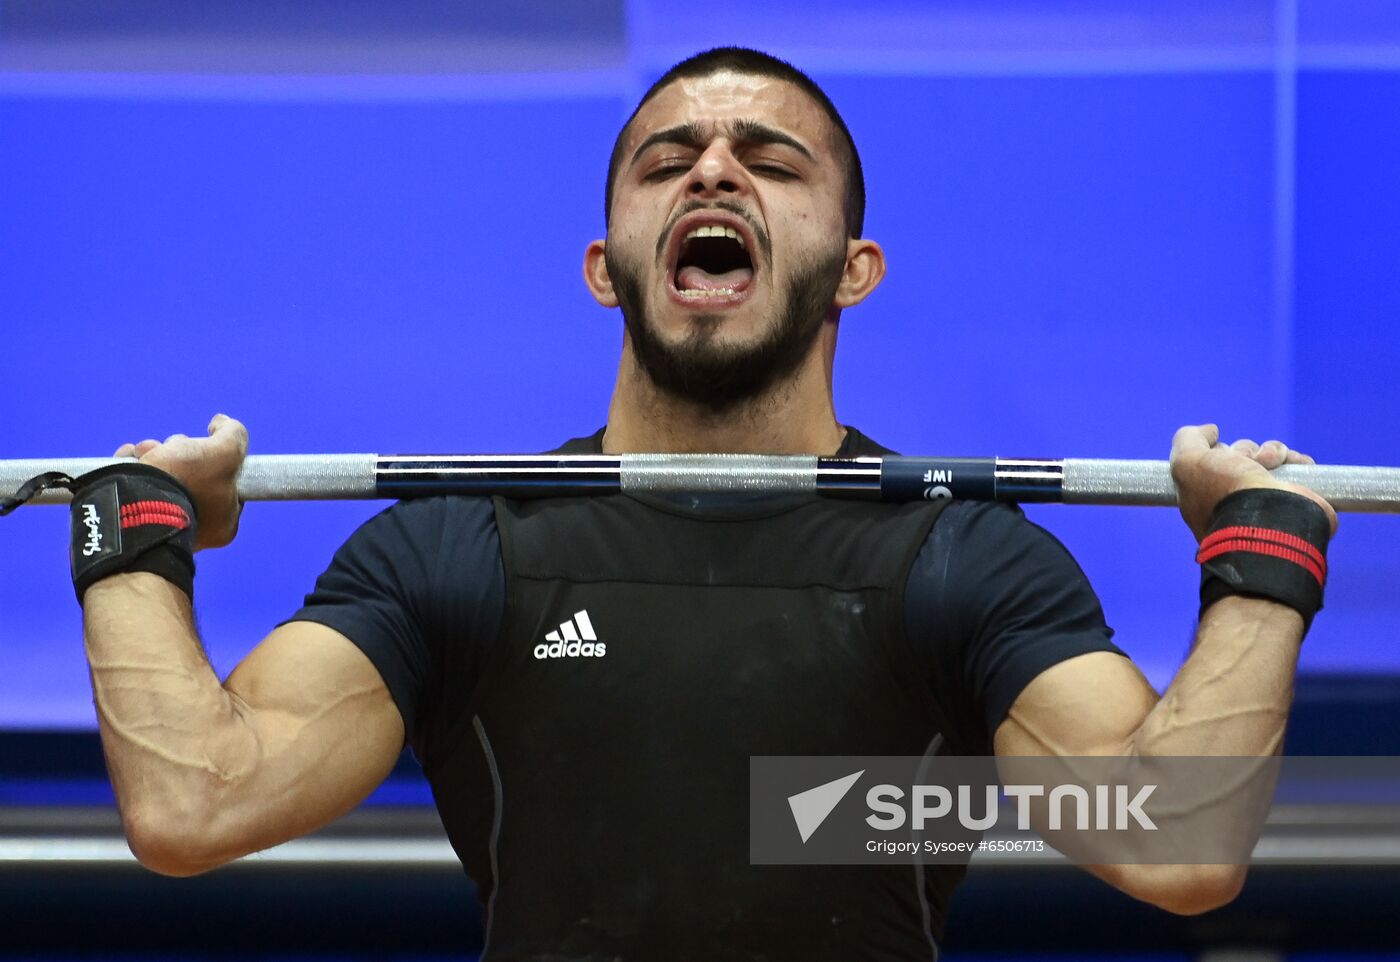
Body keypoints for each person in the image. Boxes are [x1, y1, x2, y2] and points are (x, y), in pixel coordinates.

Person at [70, 48, 1336, 960]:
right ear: (603, 269)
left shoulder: (963, 558)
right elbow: (196, 804)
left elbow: (1176, 844)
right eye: (665, 161)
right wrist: (134, 533)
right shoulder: (456, 545)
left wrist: (1260, 550)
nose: (711, 172)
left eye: (767, 160)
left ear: (853, 271)